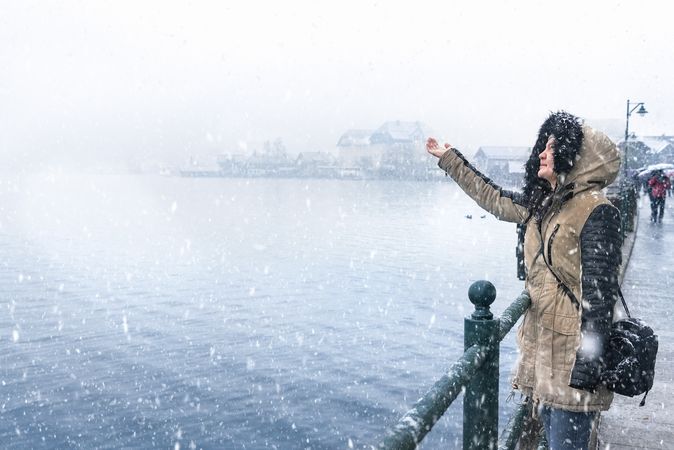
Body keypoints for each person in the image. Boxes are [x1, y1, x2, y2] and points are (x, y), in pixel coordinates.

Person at [427, 111, 622, 450]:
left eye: (553, 147)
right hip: (542, 351)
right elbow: (494, 197)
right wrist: (451, 160)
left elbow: (600, 295)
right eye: (542, 147)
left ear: (578, 157)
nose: (542, 154)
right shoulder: (543, 203)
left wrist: (588, 367)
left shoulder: (596, 209)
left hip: (572, 361)